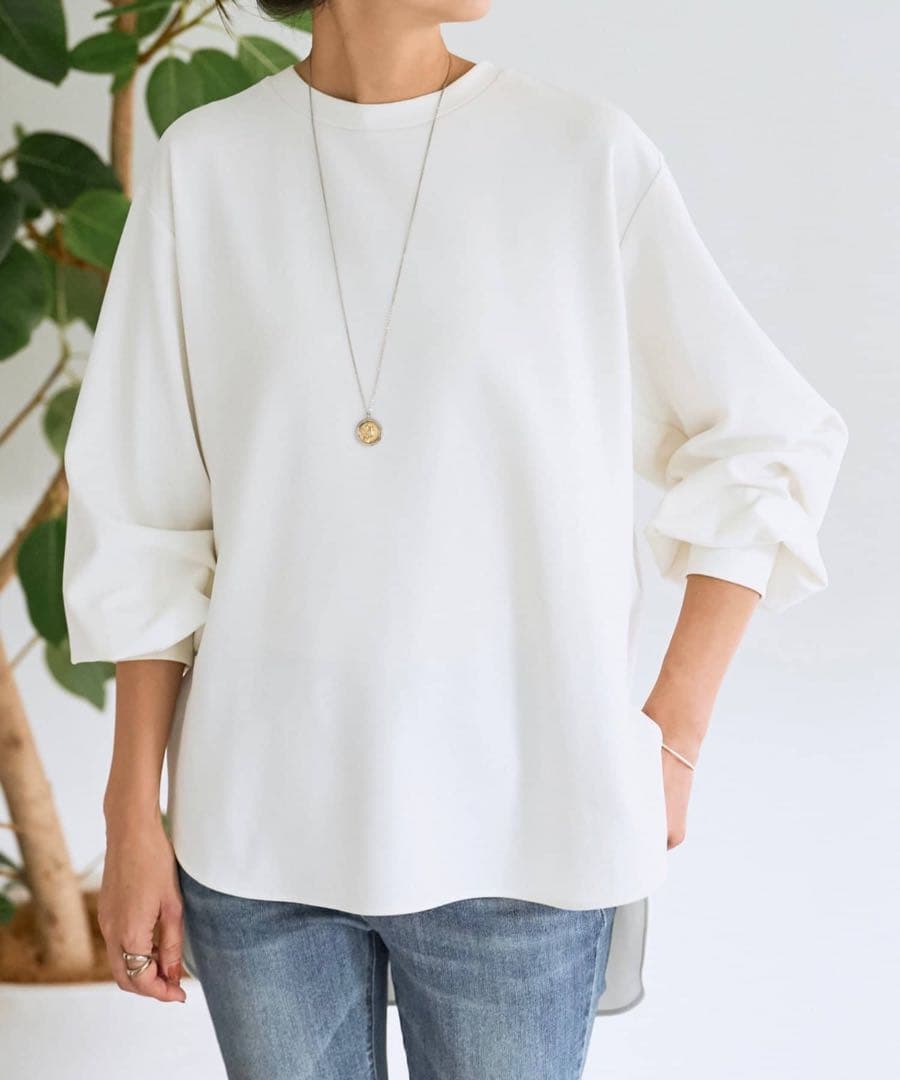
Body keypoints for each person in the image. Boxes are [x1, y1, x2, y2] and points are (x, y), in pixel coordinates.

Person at [60, 1, 849, 1077]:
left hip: (522, 835)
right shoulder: (207, 168)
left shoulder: (582, 156)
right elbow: (147, 515)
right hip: (258, 834)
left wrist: (675, 734)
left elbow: (766, 437)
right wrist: (132, 813)